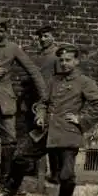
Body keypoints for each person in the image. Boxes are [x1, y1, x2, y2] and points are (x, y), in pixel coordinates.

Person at [0, 44, 98, 196]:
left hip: (68, 133)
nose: (64, 63)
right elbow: (43, 102)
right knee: (20, 157)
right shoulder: (54, 80)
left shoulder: (84, 82)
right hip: (45, 131)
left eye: (68, 60)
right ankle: (9, 193)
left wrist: (81, 119)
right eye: (61, 60)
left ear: (76, 61)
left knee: (66, 174)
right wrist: (41, 115)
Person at [0, 17, 47, 191]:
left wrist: (44, 96)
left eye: (1, 31)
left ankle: (5, 178)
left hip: (6, 101)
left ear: (5, 32)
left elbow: (33, 70)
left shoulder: (13, 48)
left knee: (9, 140)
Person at [33, 25, 63, 184]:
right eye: (41, 37)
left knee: (52, 136)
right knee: (39, 134)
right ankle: (37, 170)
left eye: (46, 36)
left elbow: (59, 79)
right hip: (38, 99)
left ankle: (56, 172)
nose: (43, 39)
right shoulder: (39, 55)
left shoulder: (57, 56)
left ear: (53, 37)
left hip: (51, 99)